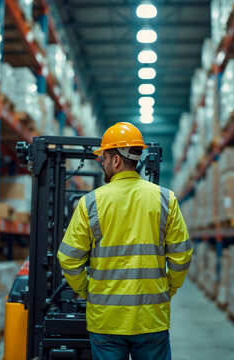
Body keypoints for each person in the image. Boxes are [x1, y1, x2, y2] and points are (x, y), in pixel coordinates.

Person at [57, 122, 192, 360]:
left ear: (116, 161)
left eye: (105, 157)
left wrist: (87, 291)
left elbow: (68, 258)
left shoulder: (90, 203)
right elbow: (181, 256)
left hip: (106, 320)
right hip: (151, 317)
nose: (102, 163)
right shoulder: (165, 200)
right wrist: (167, 289)